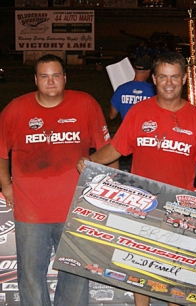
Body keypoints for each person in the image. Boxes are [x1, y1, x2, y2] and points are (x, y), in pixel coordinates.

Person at [77, 51, 196, 306]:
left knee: (174, 271)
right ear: (154, 78)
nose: (169, 83)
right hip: (141, 204)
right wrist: (92, 161)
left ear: (184, 78)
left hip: (180, 209)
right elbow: (117, 147)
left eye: (175, 77)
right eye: (163, 77)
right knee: (139, 269)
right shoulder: (139, 112)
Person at [0, 54, 116, 306]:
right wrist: (6, 185)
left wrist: (109, 188)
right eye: (44, 76)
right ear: (35, 80)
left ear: (65, 78)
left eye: (55, 76)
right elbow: (0, 152)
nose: (50, 82)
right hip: (30, 211)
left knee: (75, 276)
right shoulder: (16, 109)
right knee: (31, 277)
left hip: (75, 208)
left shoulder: (85, 104)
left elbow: (110, 150)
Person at [108, 55, 156, 121]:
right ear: (148, 71)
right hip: (147, 129)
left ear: (134, 69)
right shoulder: (154, 90)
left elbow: (112, 115)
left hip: (127, 129)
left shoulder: (121, 89)